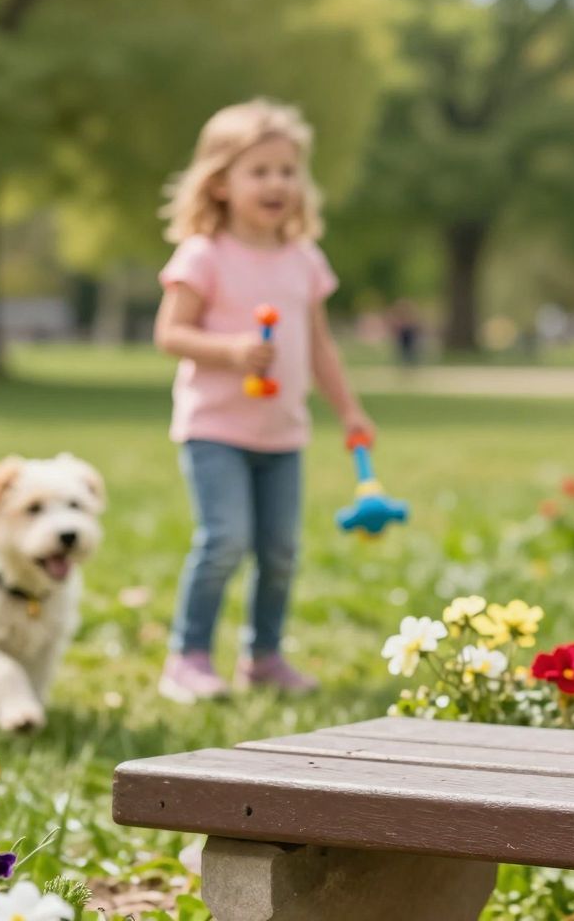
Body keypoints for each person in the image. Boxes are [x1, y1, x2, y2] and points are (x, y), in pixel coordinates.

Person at [152, 98, 373, 702]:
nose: (277, 183)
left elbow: (321, 346)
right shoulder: (204, 255)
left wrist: (349, 410)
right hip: (215, 428)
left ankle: (264, 655)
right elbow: (170, 333)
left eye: (287, 170)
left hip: (282, 433)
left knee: (280, 550)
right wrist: (230, 351)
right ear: (220, 183)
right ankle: (189, 656)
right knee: (224, 540)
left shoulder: (304, 260)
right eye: (260, 171)